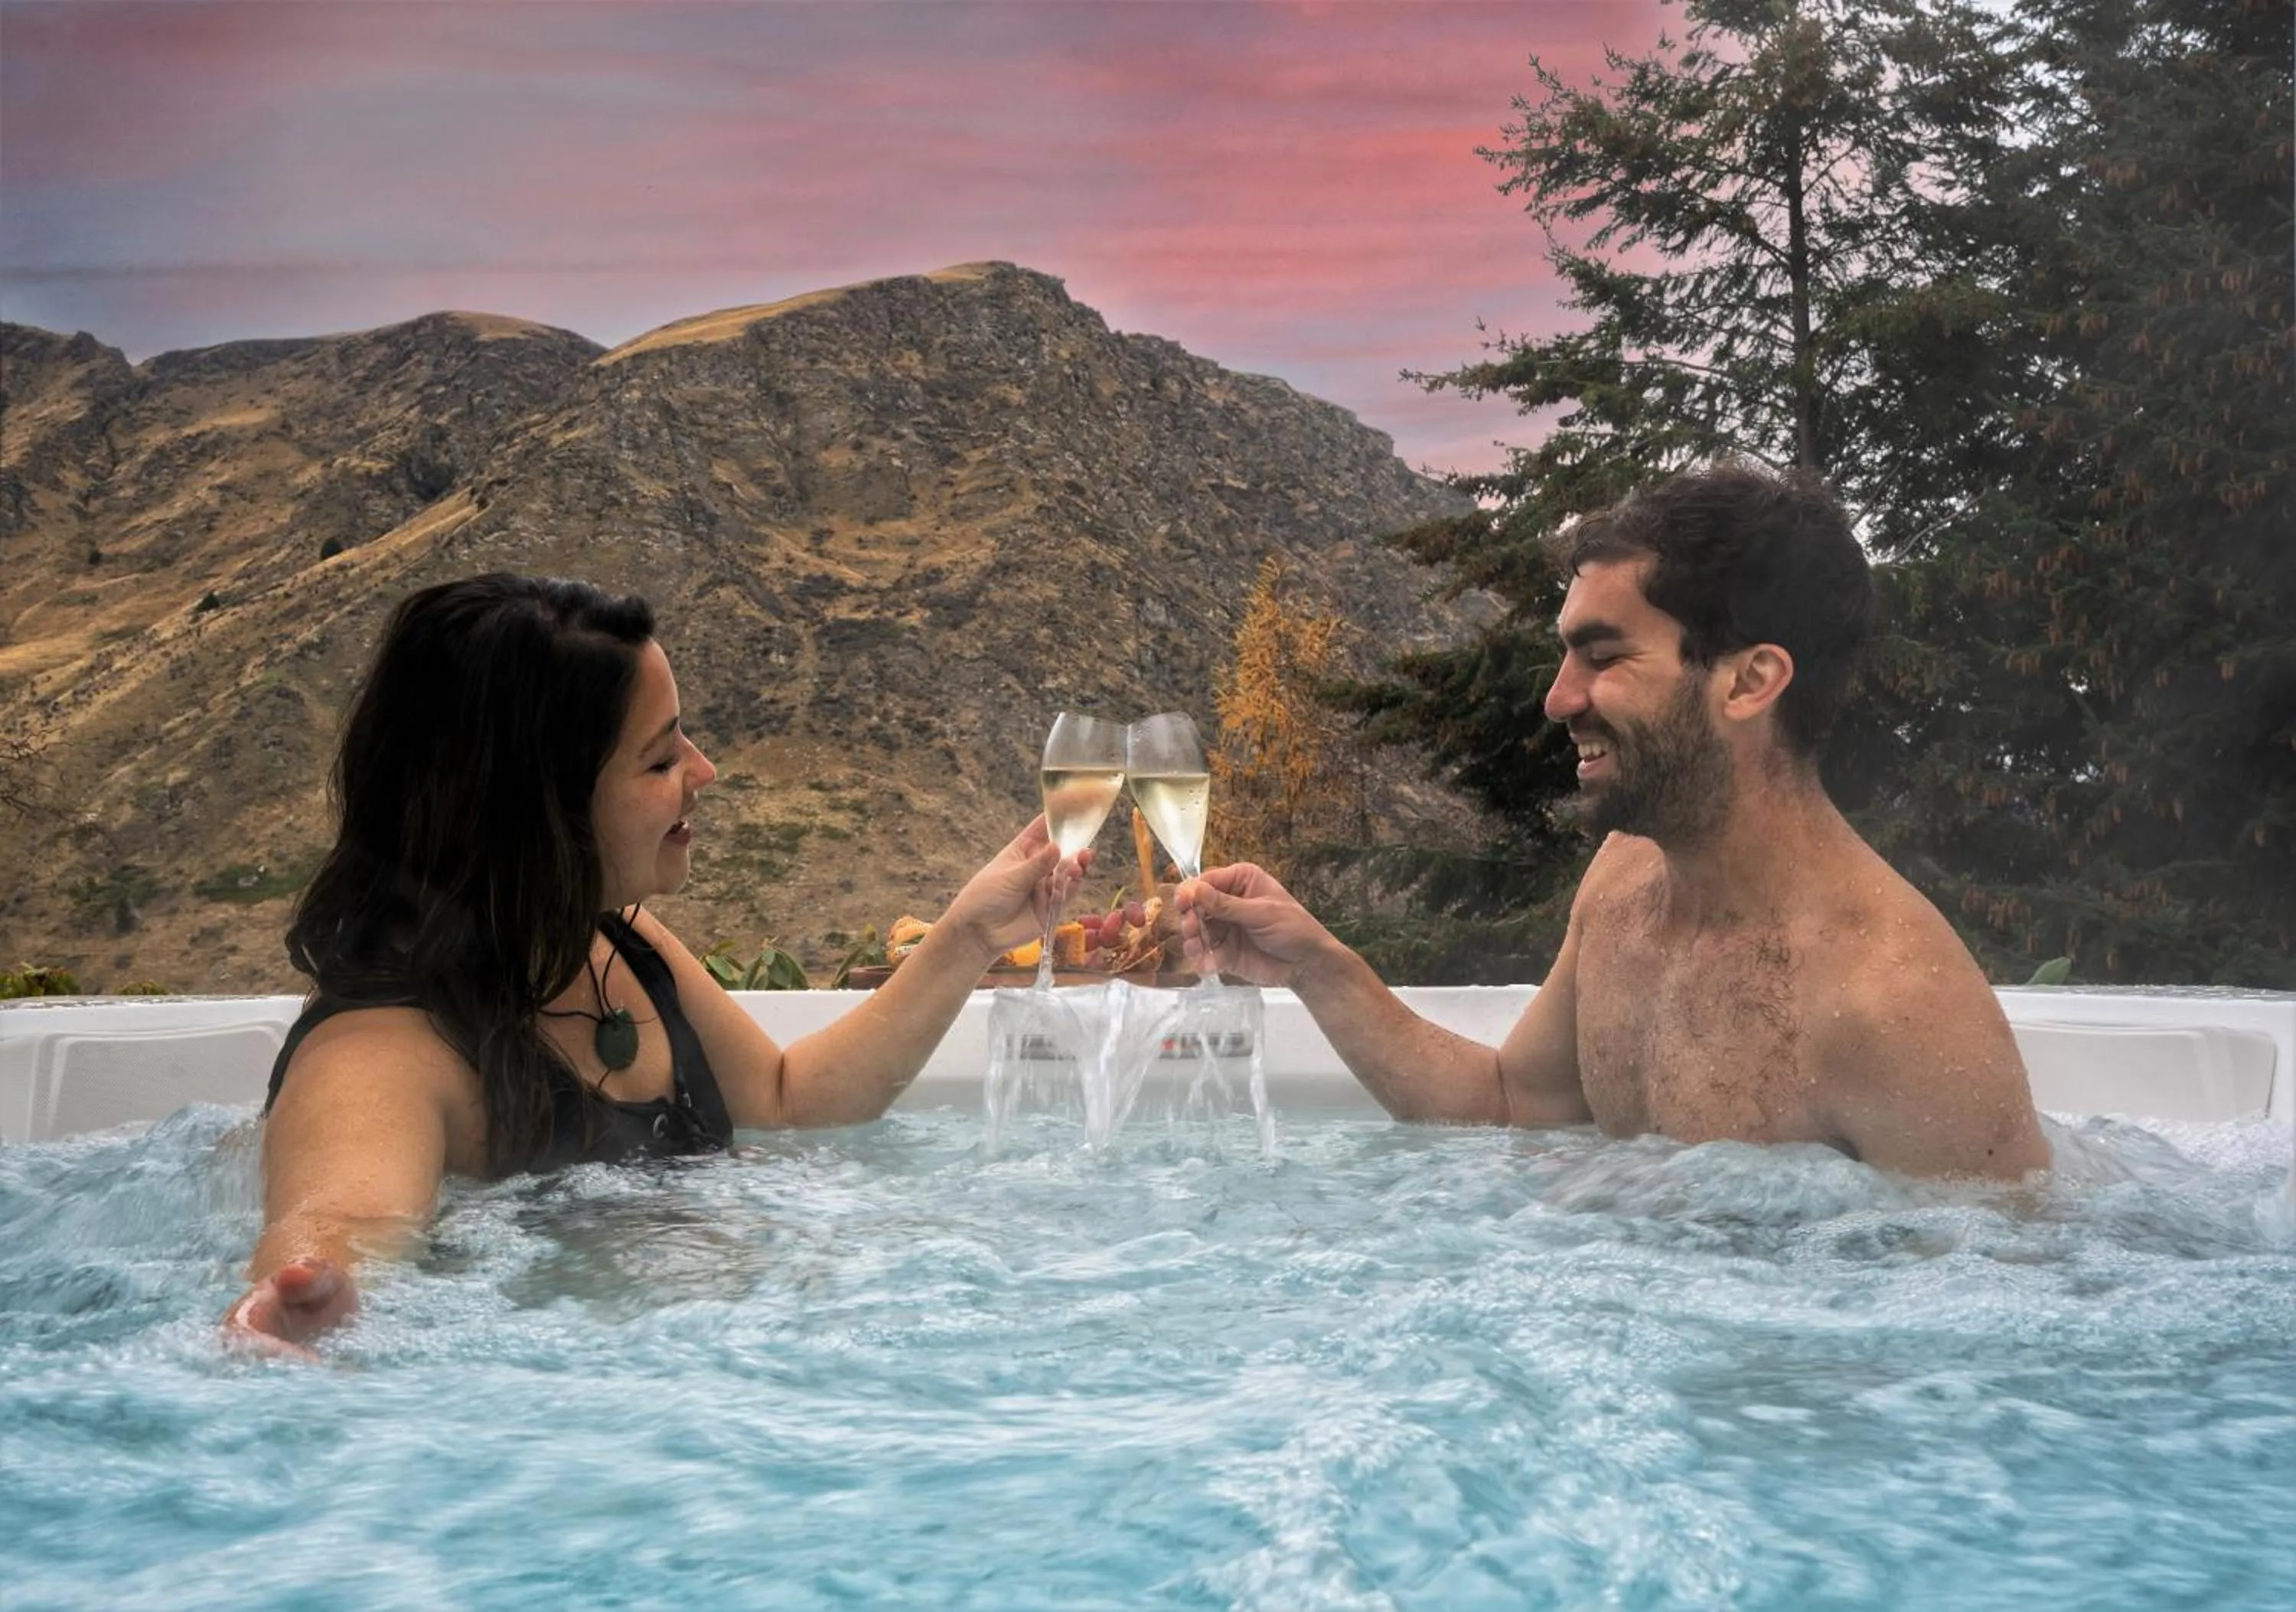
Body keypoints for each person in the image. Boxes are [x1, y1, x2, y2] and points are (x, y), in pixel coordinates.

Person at [227, 574, 1083, 1353]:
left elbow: (790, 1099)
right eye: (662, 759)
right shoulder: (382, 1055)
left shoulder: (612, 940)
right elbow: (344, 1219)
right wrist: (310, 1295)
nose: (704, 772)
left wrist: (970, 934)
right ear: (541, 805)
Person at [1177, 462, 2049, 1180]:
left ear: (1749, 682)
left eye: (1604, 658)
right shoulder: (1625, 882)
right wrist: (1317, 968)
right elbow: (1511, 1109)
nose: (1558, 699)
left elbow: (1988, 1321)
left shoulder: (1894, 1004)